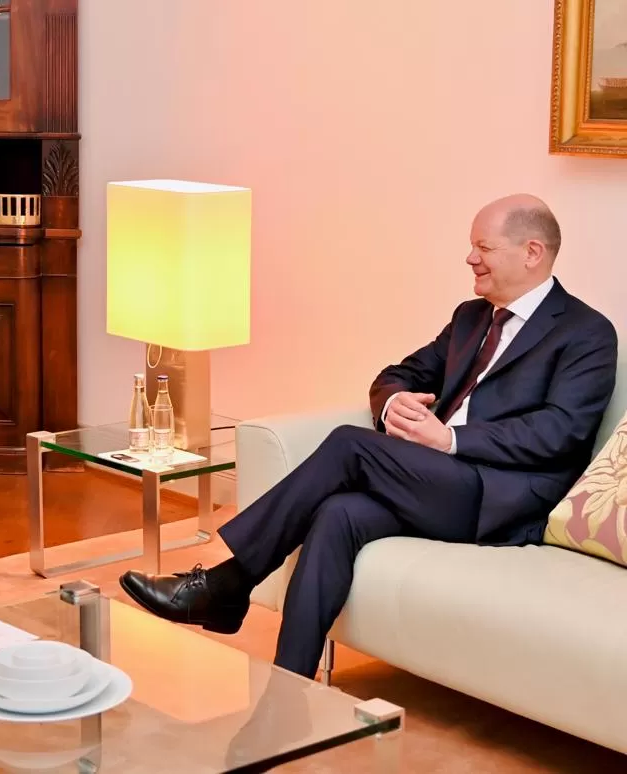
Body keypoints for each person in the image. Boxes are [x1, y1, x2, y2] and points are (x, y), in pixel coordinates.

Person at [119, 194, 618, 681]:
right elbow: (399, 373)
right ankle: (288, 695)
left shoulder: (586, 332)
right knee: (339, 514)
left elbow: (561, 431)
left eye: (483, 247)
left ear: (532, 252)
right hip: (438, 482)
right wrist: (394, 402)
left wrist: (450, 440)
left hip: (502, 498)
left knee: (348, 443)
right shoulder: (472, 317)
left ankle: (229, 582)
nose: (470, 258)